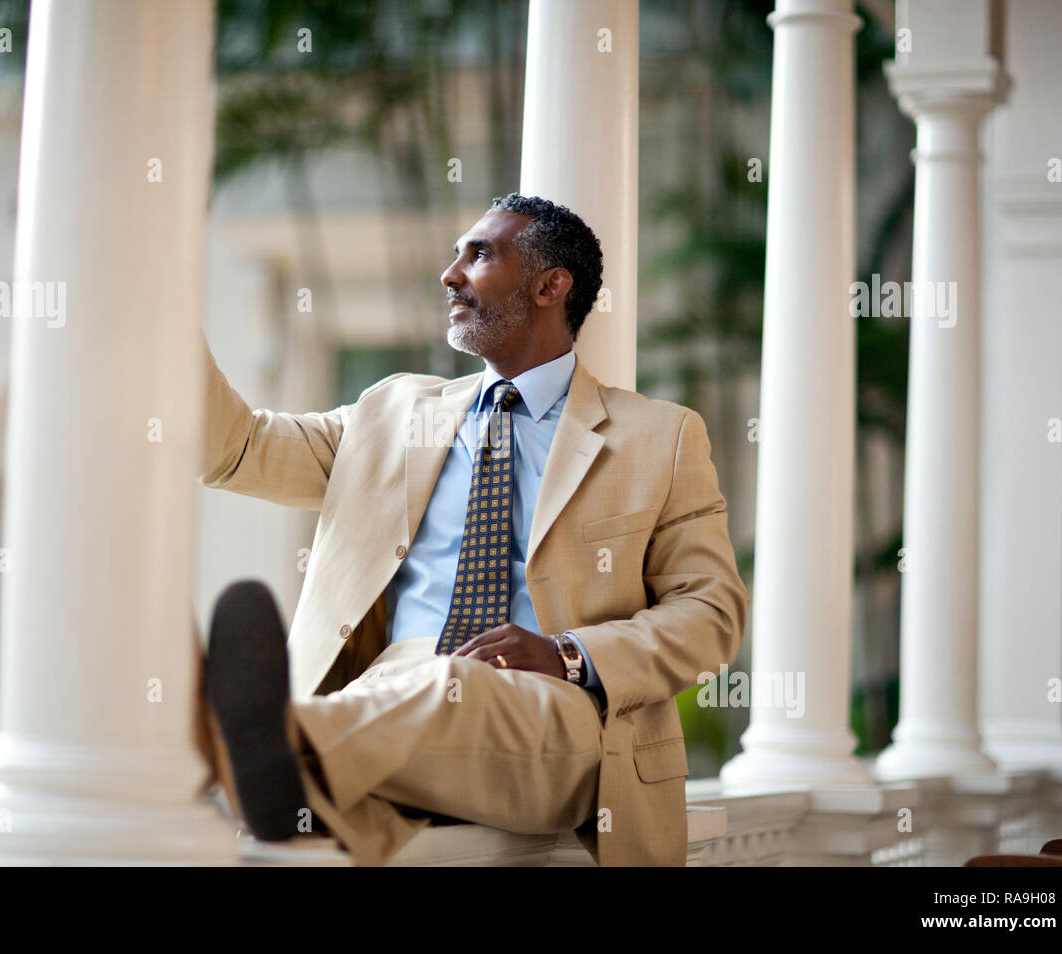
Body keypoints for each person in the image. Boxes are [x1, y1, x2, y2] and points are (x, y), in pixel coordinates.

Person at [192, 192, 749, 866]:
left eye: (478, 254)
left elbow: (711, 611)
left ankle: (246, 738)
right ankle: (281, 763)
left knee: (446, 686)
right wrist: (160, 292)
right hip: (384, 696)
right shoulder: (392, 411)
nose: (449, 273)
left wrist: (568, 653)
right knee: (414, 692)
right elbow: (236, 450)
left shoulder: (658, 436)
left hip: (561, 710)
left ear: (551, 285)